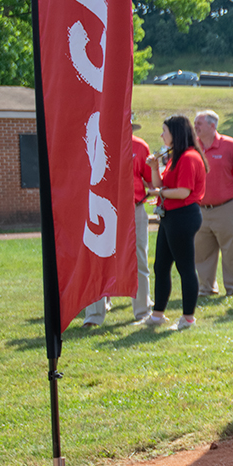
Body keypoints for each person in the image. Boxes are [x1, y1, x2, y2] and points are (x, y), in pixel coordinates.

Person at [81, 115, 154, 326]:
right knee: (97, 260)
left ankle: (143, 311)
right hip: (102, 210)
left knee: (139, 259)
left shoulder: (140, 146)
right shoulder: (95, 144)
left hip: (133, 210)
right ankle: (94, 315)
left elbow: (149, 181)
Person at [138, 114, 208, 331]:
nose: (161, 135)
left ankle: (188, 317)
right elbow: (163, 184)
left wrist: (158, 192)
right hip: (170, 216)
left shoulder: (189, 157)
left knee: (185, 267)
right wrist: (153, 167)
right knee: (161, 265)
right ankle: (158, 314)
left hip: (183, 216)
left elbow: (183, 192)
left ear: (175, 134)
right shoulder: (176, 156)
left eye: (164, 131)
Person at [193, 110, 233, 295]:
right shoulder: (193, 146)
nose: (195, 127)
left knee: (232, 250)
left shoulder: (229, 145)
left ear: (213, 126)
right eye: (195, 123)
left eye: (199, 123)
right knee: (202, 251)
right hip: (200, 209)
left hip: (227, 207)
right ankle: (206, 287)